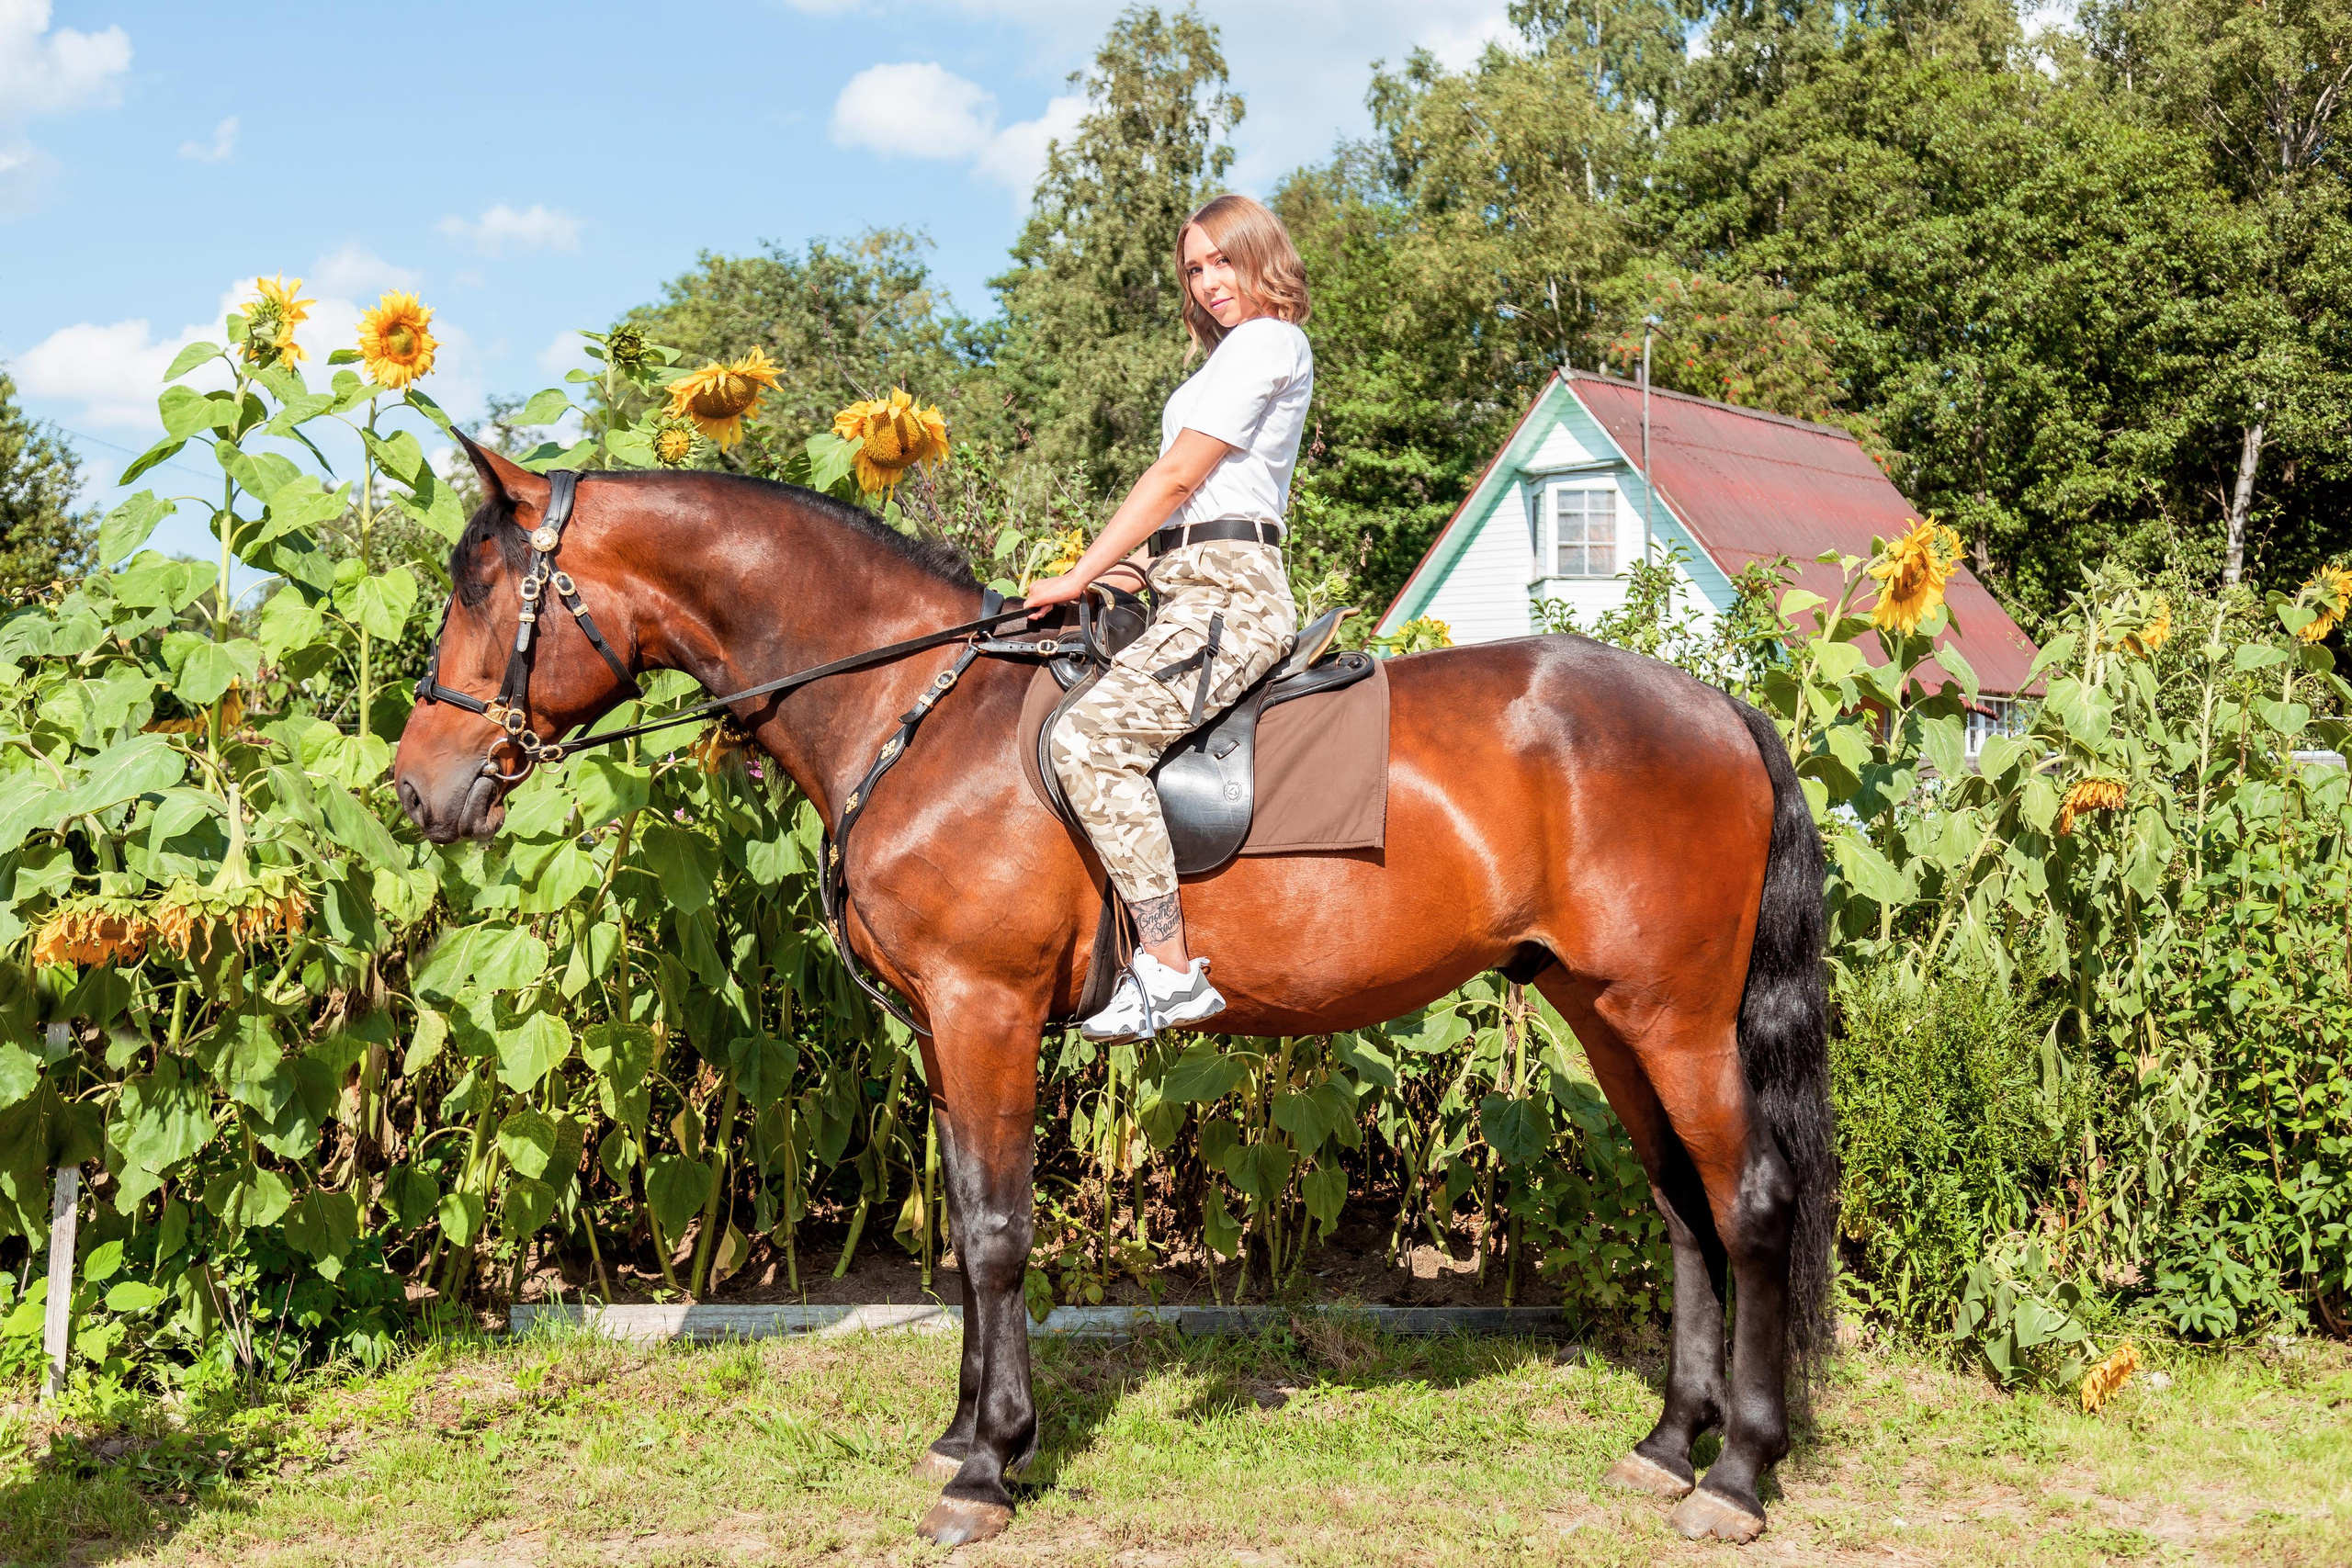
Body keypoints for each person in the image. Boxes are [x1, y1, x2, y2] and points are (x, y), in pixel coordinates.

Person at [1025, 193, 1313, 1043]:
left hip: (1232, 601)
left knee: (1089, 739)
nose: (1209, 280)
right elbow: (1189, 517)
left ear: (1260, 255)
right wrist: (1097, 581)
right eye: (1194, 269)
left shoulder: (1269, 340)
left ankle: (1169, 966)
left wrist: (1081, 563)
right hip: (1185, 585)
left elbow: (1179, 480)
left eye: (1223, 259)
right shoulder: (1221, 363)